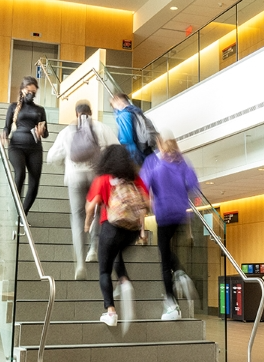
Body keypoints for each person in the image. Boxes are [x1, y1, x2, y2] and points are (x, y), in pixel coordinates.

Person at [47, 100, 118, 279]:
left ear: (76, 113)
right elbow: (117, 151)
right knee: (97, 211)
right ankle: (93, 248)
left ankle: (80, 264)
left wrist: (65, 168)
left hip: (75, 178)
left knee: (78, 218)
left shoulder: (67, 131)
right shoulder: (102, 128)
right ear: (91, 112)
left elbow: (51, 157)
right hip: (96, 177)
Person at [84, 145, 150, 331]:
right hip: (131, 230)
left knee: (104, 269)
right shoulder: (135, 178)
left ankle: (111, 312)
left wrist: (87, 224)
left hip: (111, 227)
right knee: (117, 252)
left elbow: (91, 207)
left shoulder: (103, 178)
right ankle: (124, 281)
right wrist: (143, 231)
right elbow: (146, 204)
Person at [138, 134, 199, 320]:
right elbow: (194, 185)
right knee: (169, 248)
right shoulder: (183, 163)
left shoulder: (154, 163)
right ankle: (180, 274)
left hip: (164, 214)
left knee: (164, 258)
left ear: (161, 147)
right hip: (181, 214)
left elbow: (143, 188)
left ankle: (172, 304)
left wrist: (142, 222)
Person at [2, 76, 47, 213]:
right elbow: (7, 127)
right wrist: (4, 135)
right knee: (20, 173)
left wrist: (42, 131)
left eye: (33, 92)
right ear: (22, 90)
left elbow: (46, 133)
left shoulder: (40, 110)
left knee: (34, 182)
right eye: (28, 91)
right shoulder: (13, 107)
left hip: (35, 148)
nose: (31, 94)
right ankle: (14, 206)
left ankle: (23, 212)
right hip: (16, 146)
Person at [110, 93, 146, 166]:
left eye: (112, 104)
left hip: (132, 152)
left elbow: (126, 138)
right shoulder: (136, 111)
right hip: (143, 150)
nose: (113, 107)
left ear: (117, 99)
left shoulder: (123, 115)